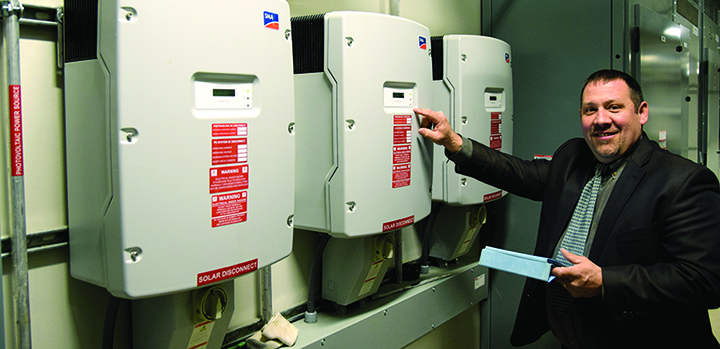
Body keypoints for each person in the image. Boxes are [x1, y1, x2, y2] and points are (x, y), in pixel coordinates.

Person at [415, 69, 720, 348]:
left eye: (613, 107)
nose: (601, 119)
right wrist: (454, 142)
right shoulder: (574, 157)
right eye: (591, 110)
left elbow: (705, 280)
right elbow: (518, 173)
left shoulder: (682, 181)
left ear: (641, 113)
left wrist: (606, 282)